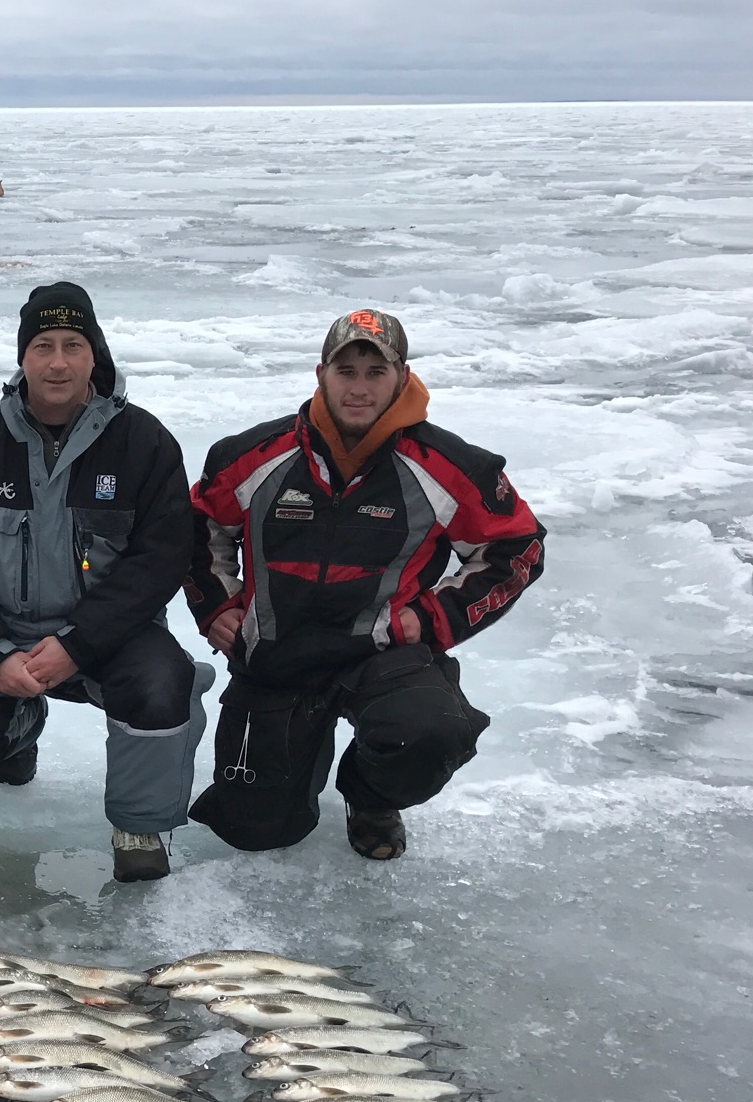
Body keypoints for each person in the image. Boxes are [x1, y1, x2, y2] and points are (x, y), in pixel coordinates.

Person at [185, 309, 545, 859]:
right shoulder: (252, 456)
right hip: (277, 654)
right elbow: (197, 528)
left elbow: (516, 548)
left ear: (402, 377)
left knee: (431, 734)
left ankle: (372, 796)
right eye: (345, 371)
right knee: (254, 830)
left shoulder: (450, 467)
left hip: (381, 654)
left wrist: (430, 619)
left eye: (376, 372)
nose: (359, 388)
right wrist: (216, 606)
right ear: (320, 374)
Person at [0, 282, 212, 883]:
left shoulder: (144, 442)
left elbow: (160, 558)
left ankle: (138, 825)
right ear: (22, 357)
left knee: (160, 688)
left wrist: (78, 643)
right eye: (42, 346)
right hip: (3, 632)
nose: (57, 362)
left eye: (73, 345)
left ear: (93, 355)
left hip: (112, 636)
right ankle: (19, 726)